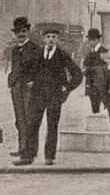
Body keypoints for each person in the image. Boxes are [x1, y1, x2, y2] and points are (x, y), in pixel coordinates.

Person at [14, 25, 82, 166]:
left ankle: (49, 156)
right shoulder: (37, 53)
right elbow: (23, 69)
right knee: (32, 124)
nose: (51, 39)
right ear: (43, 39)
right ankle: (28, 156)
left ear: (57, 39)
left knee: (52, 125)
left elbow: (77, 74)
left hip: (54, 95)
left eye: (53, 37)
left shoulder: (62, 55)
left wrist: (67, 88)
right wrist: (29, 80)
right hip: (37, 95)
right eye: (48, 37)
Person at [7, 16, 39, 158]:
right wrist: (11, 81)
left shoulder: (35, 48)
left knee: (29, 118)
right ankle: (22, 147)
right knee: (19, 119)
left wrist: (34, 81)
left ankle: (30, 149)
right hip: (16, 87)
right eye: (18, 32)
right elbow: (15, 67)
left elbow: (40, 68)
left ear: (28, 31)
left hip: (29, 87)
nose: (21, 34)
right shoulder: (15, 50)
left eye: (23, 31)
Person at [81, 28, 108, 115]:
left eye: (91, 40)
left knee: (104, 107)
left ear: (96, 40)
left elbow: (104, 68)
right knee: (94, 108)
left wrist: (88, 69)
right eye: (89, 40)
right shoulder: (90, 52)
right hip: (91, 84)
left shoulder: (104, 51)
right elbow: (85, 65)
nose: (89, 42)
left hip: (100, 84)